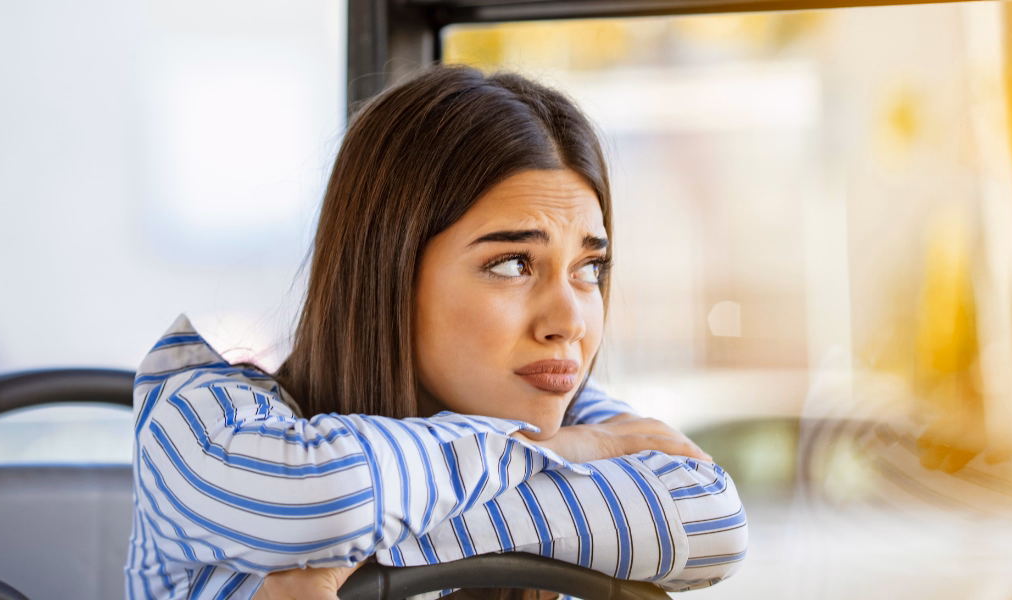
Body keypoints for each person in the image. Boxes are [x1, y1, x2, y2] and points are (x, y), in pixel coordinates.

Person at [125, 66, 747, 600]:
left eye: (590, 269)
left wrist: (371, 545)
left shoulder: (563, 404)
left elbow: (712, 519)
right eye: (512, 264)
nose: (570, 324)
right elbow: (323, 494)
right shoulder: (196, 419)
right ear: (386, 273)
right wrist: (560, 458)